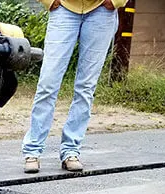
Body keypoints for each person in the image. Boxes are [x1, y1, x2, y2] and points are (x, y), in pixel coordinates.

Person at [21, 0, 126, 174]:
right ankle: (32, 150)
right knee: (48, 82)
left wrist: (116, 1)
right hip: (64, 9)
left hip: (101, 11)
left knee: (86, 87)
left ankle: (71, 150)